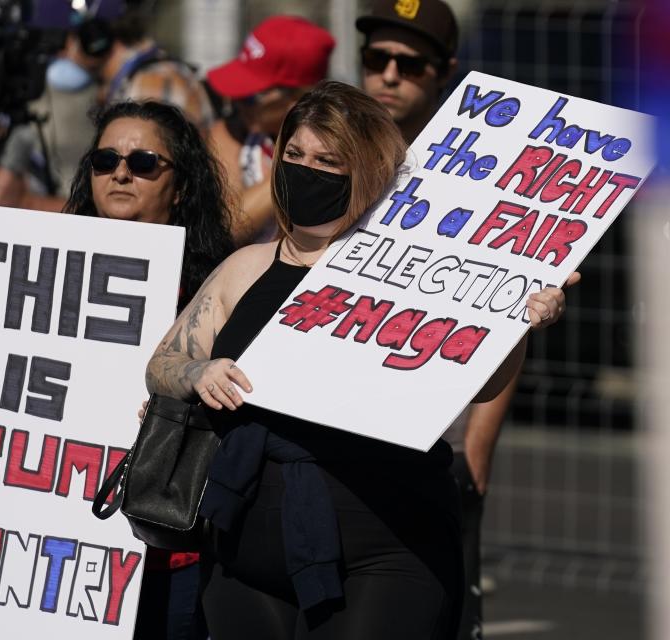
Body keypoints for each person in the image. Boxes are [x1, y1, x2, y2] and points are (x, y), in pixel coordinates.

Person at [143, 80, 574, 639]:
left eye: (327, 161)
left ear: (367, 173)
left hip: (385, 549)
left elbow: (484, 386)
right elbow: (162, 364)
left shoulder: (417, 272)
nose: (304, 170)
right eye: (293, 155)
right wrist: (198, 371)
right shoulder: (245, 267)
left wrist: (518, 322)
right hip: (245, 549)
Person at [0, 100, 234, 640]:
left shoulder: (215, 292)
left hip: (160, 560)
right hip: (52, 570)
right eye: (105, 160)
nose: (122, 172)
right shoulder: (38, 266)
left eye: (145, 162)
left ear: (180, 187)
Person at [355, 2, 532, 636]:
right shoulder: (334, 152)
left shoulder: (484, 168)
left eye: (411, 63)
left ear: (445, 72)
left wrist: (478, 439)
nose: (390, 75)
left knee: (446, 611)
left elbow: (512, 306)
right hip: (344, 425)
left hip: (444, 435)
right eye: (376, 59)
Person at [0, 0, 214, 213]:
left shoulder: (150, 87)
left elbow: (132, 211)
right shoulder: (136, 81)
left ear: (94, 37)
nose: (59, 53)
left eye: (63, 39)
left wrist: (28, 203)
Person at [205, 15, 335, 245]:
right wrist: (296, 168)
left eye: (250, 94)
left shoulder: (340, 148)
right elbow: (225, 231)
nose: (236, 100)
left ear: (299, 98)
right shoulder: (233, 130)